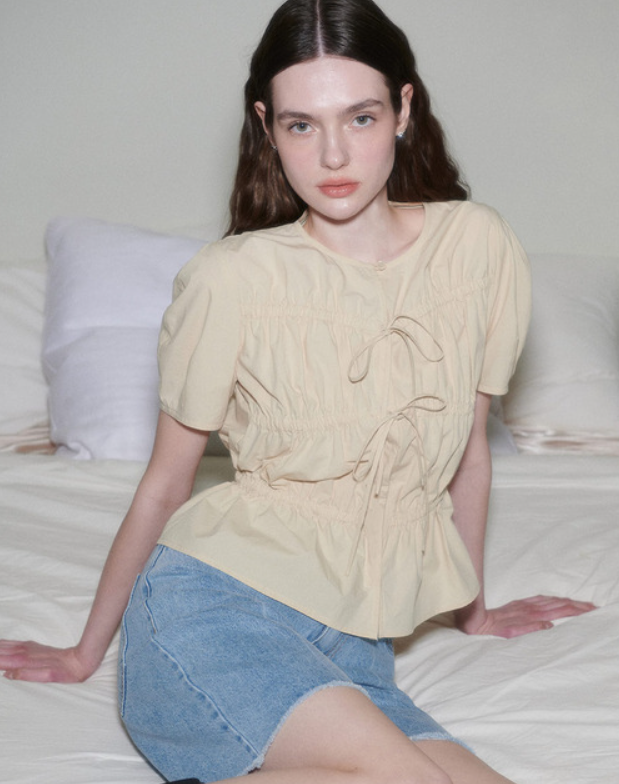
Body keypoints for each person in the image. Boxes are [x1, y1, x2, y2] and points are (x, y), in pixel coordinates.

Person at [0, 1, 594, 783]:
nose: (333, 153)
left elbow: (466, 457)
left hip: (354, 654)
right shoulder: (231, 279)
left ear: (403, 110)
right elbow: (166, 484)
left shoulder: (477, 245)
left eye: (360, 116)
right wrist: (84, 653)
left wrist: (472, 611)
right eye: (301, 125)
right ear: (267, 128)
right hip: (215, 613)